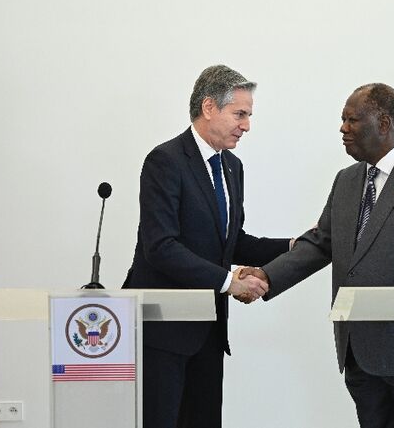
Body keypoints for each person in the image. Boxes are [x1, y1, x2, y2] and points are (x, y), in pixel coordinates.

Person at [241, 82, 394, 428]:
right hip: (358, 350)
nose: (343, 128)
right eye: (343, 119)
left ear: (383, 124)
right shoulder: (347, 181)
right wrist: (266, 276)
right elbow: (321, 242)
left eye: (352, 120)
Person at [122, 64, 291, 428]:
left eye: (249, 115)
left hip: (209, 333)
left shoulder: (232, 166)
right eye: (240, 114)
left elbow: (232, 242)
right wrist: (230, 282)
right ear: (210, 107)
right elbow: (161, 246)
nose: (246, 125)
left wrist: (298, 244)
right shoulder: (165, 161)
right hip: (163, 334)